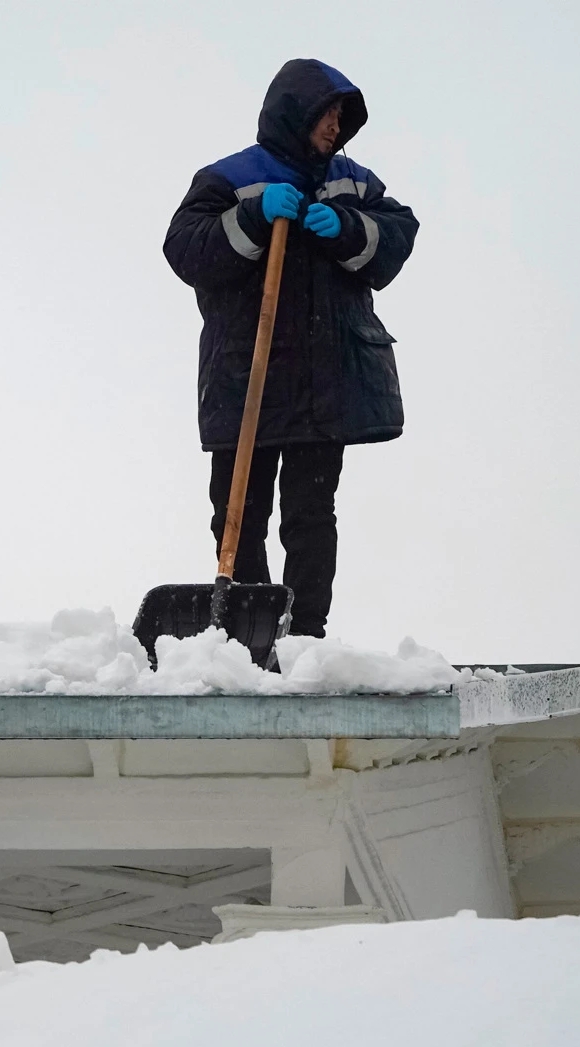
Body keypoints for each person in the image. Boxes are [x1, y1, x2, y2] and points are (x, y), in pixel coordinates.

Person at [162, 59, 418, 638]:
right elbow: (185, 249)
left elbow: (399, 233)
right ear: (294, 113)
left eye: (340, 116)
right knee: (238, 513)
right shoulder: (230, 178)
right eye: (326, 114)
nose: (334, 126)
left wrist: (351, 227)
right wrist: (252, 216)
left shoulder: (352, 181)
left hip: (323, 391)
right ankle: (249, 626)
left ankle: (305, 632)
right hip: (244, 382)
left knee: (310, 515)